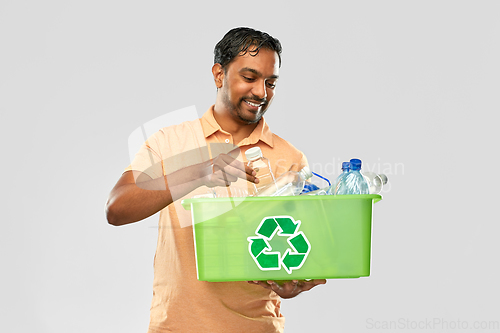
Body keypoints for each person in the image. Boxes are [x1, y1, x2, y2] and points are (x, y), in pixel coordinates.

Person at [106, 27, 326, 333]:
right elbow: (117, 209)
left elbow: (303, 253)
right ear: (219, 74)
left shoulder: (290, 159)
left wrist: (298, 282)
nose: (261, 93)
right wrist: (202, 172)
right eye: (249, 78)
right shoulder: (170, 142)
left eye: (270, 82)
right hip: (176, 327)